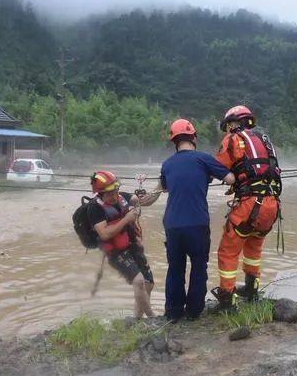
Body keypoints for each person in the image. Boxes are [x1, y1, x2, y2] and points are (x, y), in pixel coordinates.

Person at [156, 119, 235, 322]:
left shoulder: (167, 164)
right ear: (194, 138)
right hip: (197, 223)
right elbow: (230, 179)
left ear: (174, 141)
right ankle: (193, 312)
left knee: (175, 268)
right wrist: (208, 174)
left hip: (172, 224)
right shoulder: (203, 159)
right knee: (199, 268)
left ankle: (173, 313)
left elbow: (164, 187)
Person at [212, 105, 282, 311]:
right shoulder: (266, 141)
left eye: (228, 126)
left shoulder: (234, 139)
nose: (227, 130)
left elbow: (218, 167)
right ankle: (252, 290)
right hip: (271, 205)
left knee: (228, 251)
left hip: (249, 205)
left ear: (233, 122)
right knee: (253, 248)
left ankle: (227, 300)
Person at [87, 170, 160, 319]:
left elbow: (146, 201)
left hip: (132, 244)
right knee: (138, 281)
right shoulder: (94, 208)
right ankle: (153, 319)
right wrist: (127, 219)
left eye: (116, 191)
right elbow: (105, 234)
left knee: (148, 284)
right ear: (100, 194)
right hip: (115, 251)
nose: (114, 196)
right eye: (109, 193)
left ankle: (137, 320)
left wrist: (161, 184)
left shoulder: (124, 197)